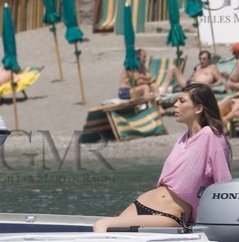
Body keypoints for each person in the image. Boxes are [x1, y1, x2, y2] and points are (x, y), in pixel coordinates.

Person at [93, 83, 231, 233]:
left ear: (198, 108)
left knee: (102, 225)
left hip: (170, 215)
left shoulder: (212, 136)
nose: (175, 104)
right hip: (141, 204)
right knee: (110, 232)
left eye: (182, 101)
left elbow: (223, 185)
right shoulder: (183, 139)